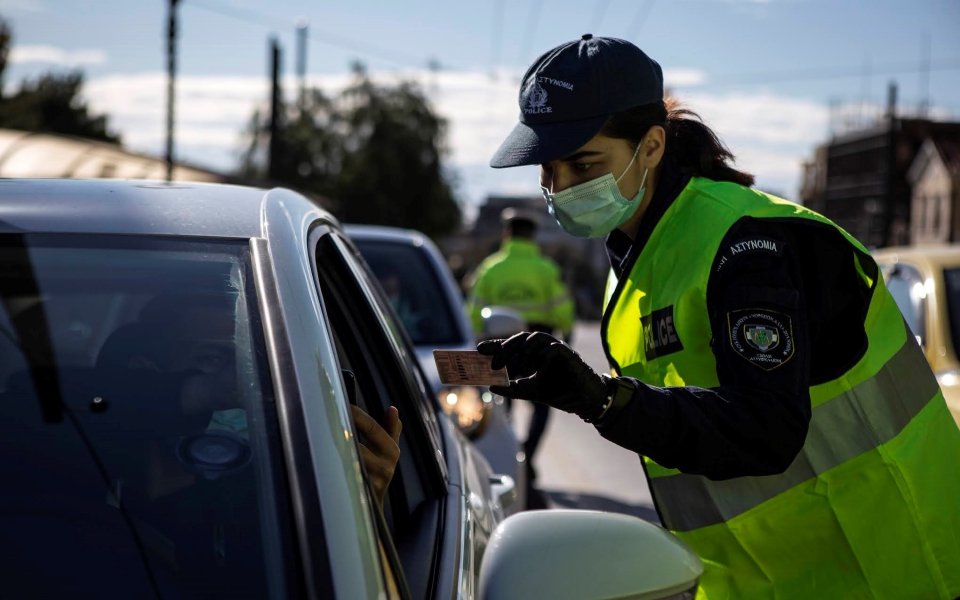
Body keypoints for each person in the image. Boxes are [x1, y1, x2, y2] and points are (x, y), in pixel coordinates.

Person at [478, 34, 960, 599]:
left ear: (651, 146)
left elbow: (766, 429)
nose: (558, 187)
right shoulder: (633, 257)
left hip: (885, 569)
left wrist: (605, 400)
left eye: (583, 164)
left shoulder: (748, 242)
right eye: (547, 168)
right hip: (759, 580)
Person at [100, 292, 401, 507]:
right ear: (149, 375)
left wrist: (363, 505)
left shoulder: (282, 503)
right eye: (211, 359)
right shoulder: (87, 474)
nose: (243, 386)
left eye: (255, 369)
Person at [465, 207, 575, 508]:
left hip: (499, 348)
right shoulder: (546, 269)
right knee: (542, 405)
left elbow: (473, 312)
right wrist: (567, 333)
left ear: (506, 233)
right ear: (533, 235)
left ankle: (512, 458)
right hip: (540, 346)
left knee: (502, 409)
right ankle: (529, 454)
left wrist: (475, 343)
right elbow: (563, 308)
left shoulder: (491, 268)